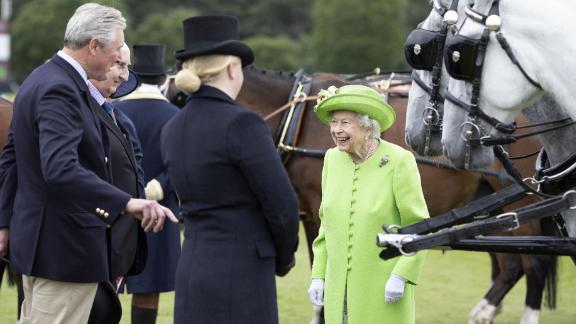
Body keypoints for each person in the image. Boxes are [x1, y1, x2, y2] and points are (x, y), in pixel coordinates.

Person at [0, 4, 177, 323]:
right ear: (94, 45)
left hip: (45, 248)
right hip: (64, 252)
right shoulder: (61, 88)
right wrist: (127, 203)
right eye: (115, 51)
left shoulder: (41, 78)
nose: (118, 63)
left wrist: (3, 220)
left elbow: (11, 158)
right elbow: (59, 169)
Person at [161, 15, 300, 324]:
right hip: (242, 272)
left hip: (192, 266)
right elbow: (282, 204)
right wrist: (283, 255)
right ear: (232, 68)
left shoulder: (172, 127)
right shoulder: (242, 123)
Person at [307, 85, 429, 324]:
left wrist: (402, 275)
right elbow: (326, 227)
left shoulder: (399, 161)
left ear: (367, 125)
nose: (336, 130)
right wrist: (318, 275)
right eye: (334, 122)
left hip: (384, 286)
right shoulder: (331, 159)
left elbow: (419, 226)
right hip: (336, 290)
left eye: (345, 123)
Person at [115, 44, 182, 324]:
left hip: (115, 209)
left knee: (107, 286)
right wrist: (160, 186)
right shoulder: (177, 117)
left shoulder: (113, 111)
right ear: (164, 79)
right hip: (158, 211)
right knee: (148, 289)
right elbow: (179, 168)